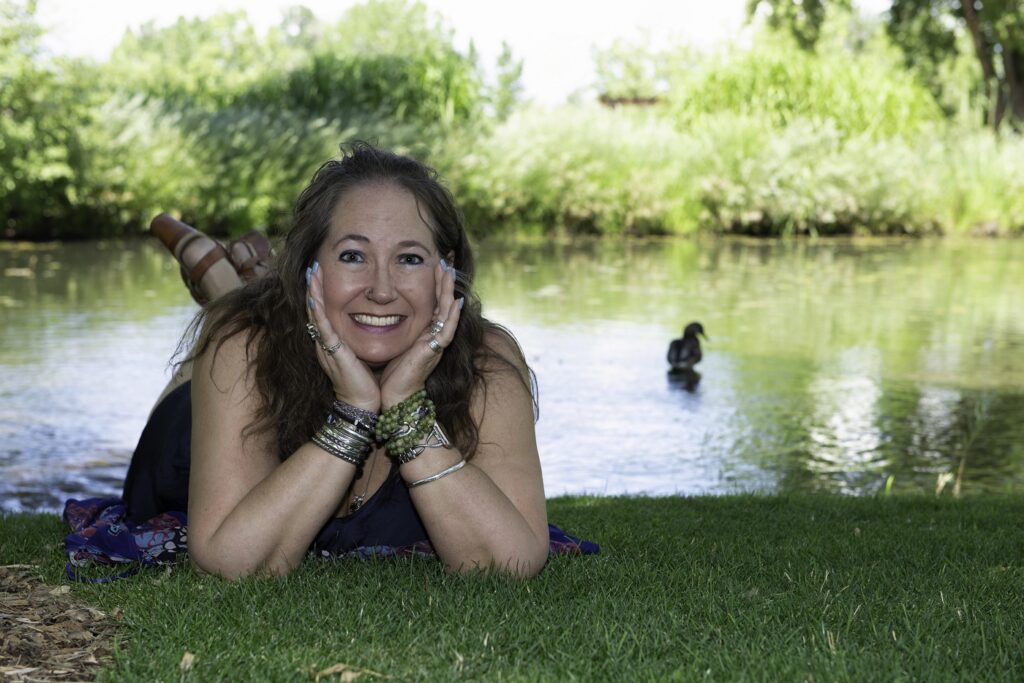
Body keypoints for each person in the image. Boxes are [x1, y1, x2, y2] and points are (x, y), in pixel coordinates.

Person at [64, 142, 596, 581]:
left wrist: (405, 407)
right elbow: (234, 562)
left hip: (319, 329)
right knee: (227, 334)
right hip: (192, 432)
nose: (382, 290)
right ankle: (229, 295)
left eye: (409, 259)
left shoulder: (486, 361)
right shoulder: (245, 349)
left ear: (446, 271)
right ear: (311, 266)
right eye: (352, 256)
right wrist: (354, 410)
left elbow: (507, 564)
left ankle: (237, 283)